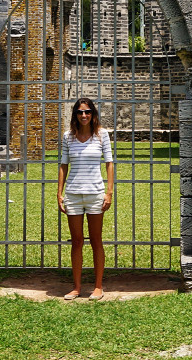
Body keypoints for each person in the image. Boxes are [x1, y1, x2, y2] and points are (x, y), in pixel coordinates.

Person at [57, 97, 114, 300]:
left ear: (93, 114)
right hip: (73, 194)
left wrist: (109, 192)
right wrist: (59, 193)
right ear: (75, 114)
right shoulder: (68, 137)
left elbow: (109, 163)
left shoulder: (101, 136)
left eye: (87, 112)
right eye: (80, 112)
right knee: (77, 242)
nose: (84, 115)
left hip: (95, 194)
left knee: (96, 240)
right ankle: (77, 287)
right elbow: (63, 165)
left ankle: (98, 287)